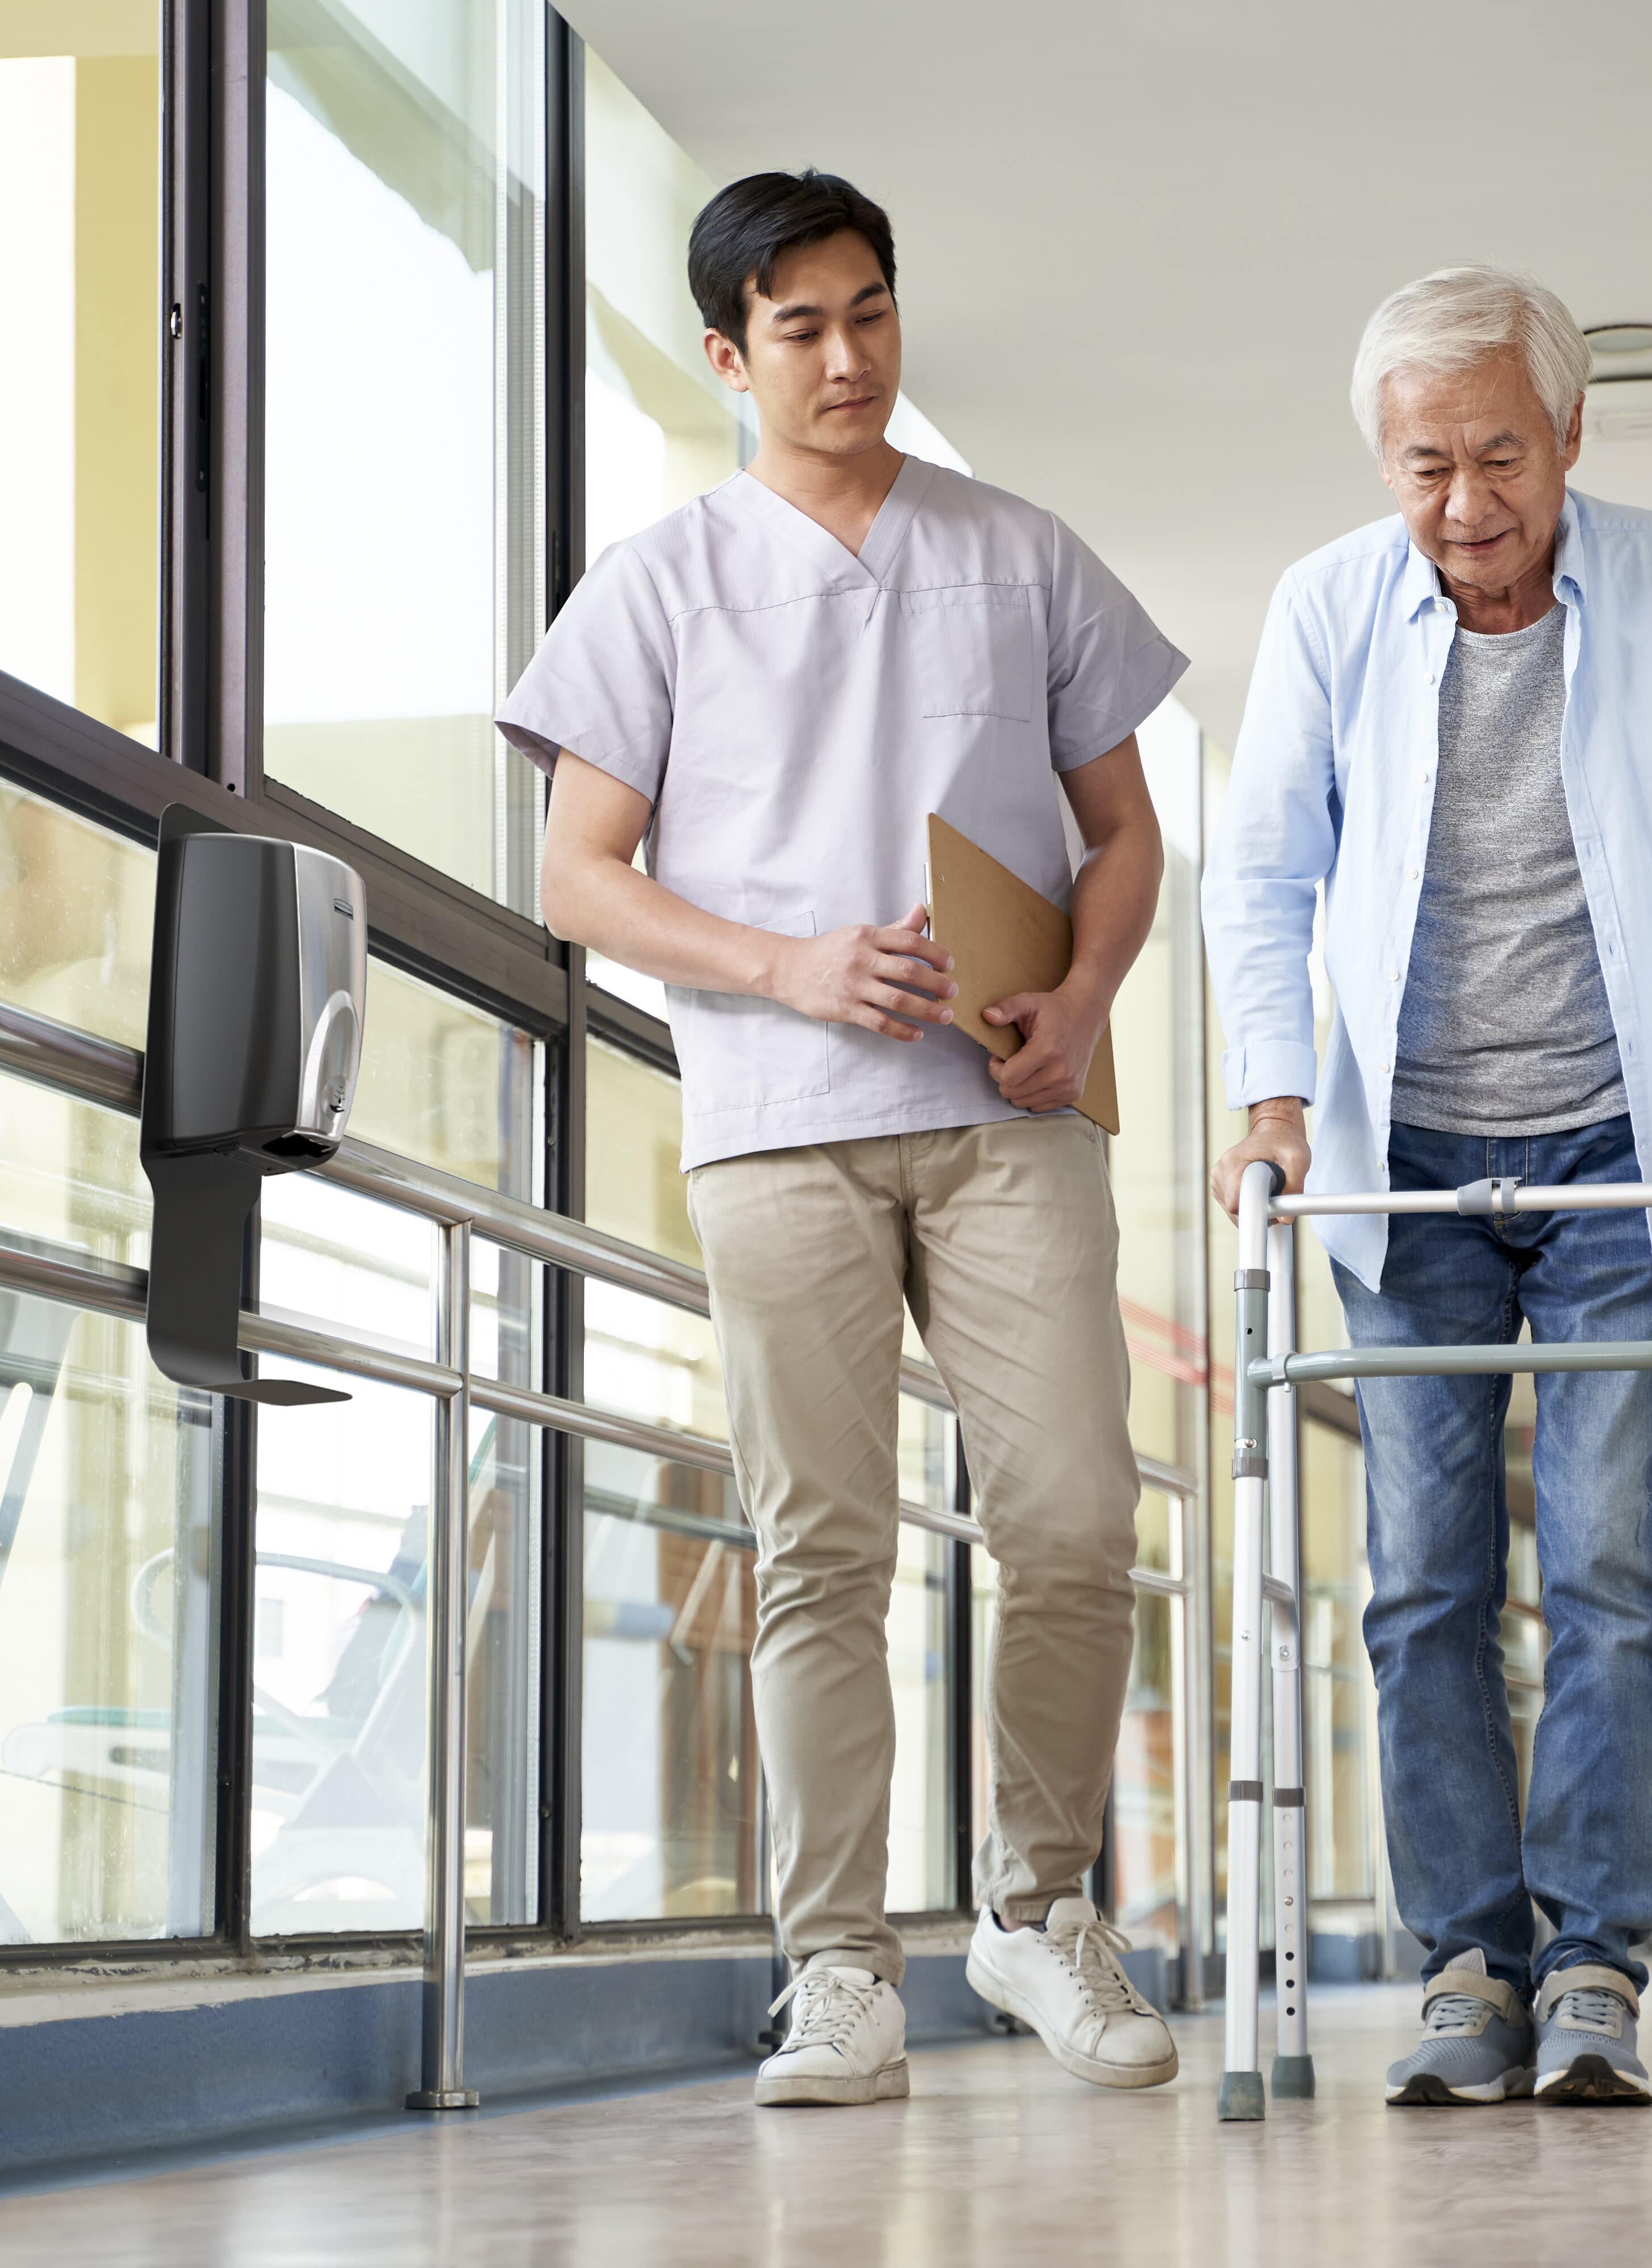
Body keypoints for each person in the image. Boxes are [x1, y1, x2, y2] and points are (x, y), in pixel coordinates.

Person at [503, 170, 1186, 2109]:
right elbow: (575, 876)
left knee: (1069, 1515)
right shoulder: (658, 583)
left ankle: (1039, 1909)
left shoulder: (1021, 553)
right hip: (779, 1121)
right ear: (726, 359)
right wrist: (783, 968)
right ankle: (835, 1969)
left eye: (869, 310)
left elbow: (1123, 834)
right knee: (825, 1550)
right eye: (796, 326)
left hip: (1005, 1111)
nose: (845, 353)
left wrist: (1088, 996)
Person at [1202, 264, 1652, 2108]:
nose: (1468, 503)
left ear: (1571, 436)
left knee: (1613, 1566)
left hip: (1614, 1160)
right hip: (1395, 1167)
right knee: (1418, 1581)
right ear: (1383, 463)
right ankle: (1466, 1962)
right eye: (1427, 465)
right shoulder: (1327, 610)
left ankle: (1593, 1962)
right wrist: (1268, 1104)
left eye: (1503, 454)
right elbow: (1257, 873)